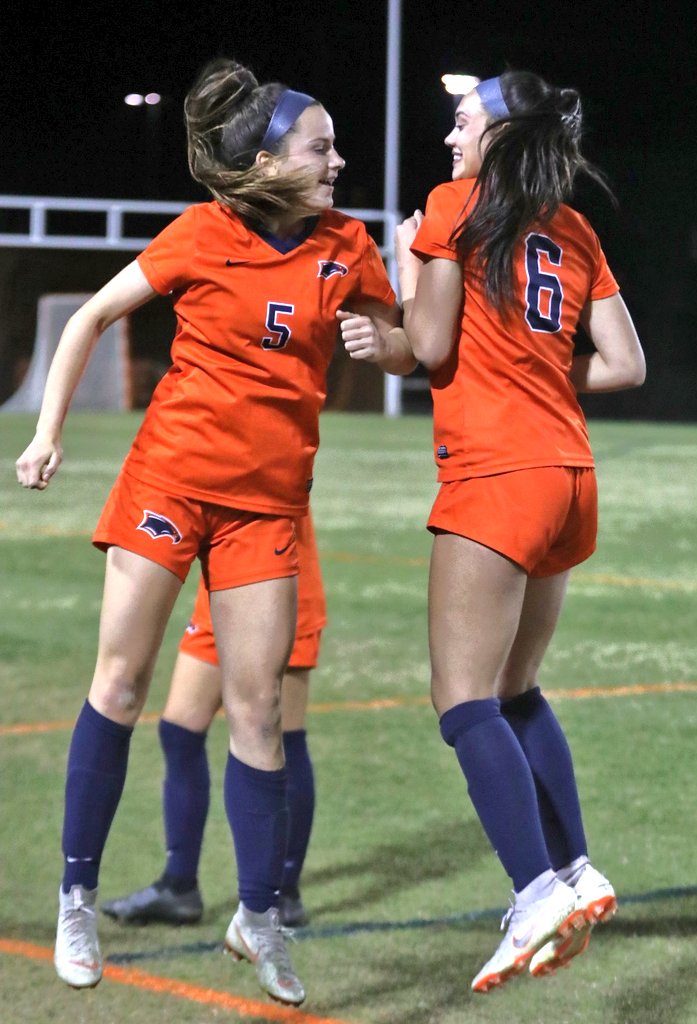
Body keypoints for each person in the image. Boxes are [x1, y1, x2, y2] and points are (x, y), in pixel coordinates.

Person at [16, 57, 414, 1005]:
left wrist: (386, 344)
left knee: (261, 712)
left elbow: (413, 354)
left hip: (267, 507)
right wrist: (47, 432)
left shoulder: (346, 249)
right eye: (321, 147)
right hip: (171, 482)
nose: (337, 160)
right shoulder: (201, 234)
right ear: (272, 161)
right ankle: (76, 896)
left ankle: (258, 917)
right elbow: (94, 321)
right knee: (119, 683)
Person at [394, 70, 646, 994]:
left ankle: (536, 889)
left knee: (464, 702)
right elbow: (625, 363)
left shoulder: (453, 204)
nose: (451, 135)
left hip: (499, 472)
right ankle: (578, 870)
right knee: (517, 687)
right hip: (569, 475)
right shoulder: (574, 226)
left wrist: (403, 271)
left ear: (498, 136)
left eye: (462, 121)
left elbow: (426, 345)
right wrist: (542, 383)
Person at [101, 510, 325, 929]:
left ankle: (283, 893)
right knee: (180, 729)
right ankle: (180, 885)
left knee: (281, 736)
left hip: (279, 574)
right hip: (222, 580)